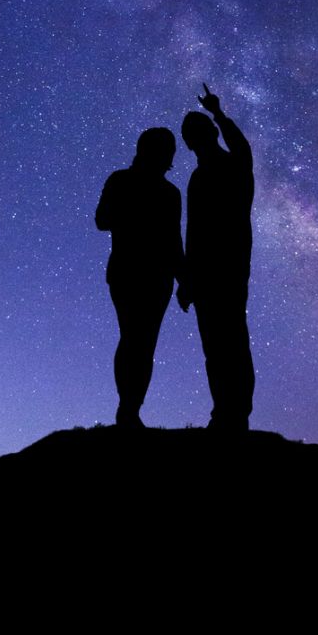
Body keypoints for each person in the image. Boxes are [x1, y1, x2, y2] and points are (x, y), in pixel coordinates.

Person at [177, 85, 255, 432]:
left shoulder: (234, 165)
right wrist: (188, 280)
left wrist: (218, 113)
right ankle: (223, 411)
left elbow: (241, 146)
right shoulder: (196, 179)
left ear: (210, 133)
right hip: (205, 274)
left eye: (201, 131)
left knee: (233, 341)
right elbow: (193, 233)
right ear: (189, 143)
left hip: (230, 268)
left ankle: (236, 414)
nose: (197, 139)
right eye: (192, 136)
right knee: (214, 347)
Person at [96, 128, 186, 428]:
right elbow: (102, 220)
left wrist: (183, 280)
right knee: (135, 339)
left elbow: (175, 241)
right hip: (129, 271)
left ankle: (130, 409)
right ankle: (128, 410)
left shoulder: (170, 193)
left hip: (155, 276)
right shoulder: (122, 180)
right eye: (166, 149)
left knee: (143, 343)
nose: (169, 155)